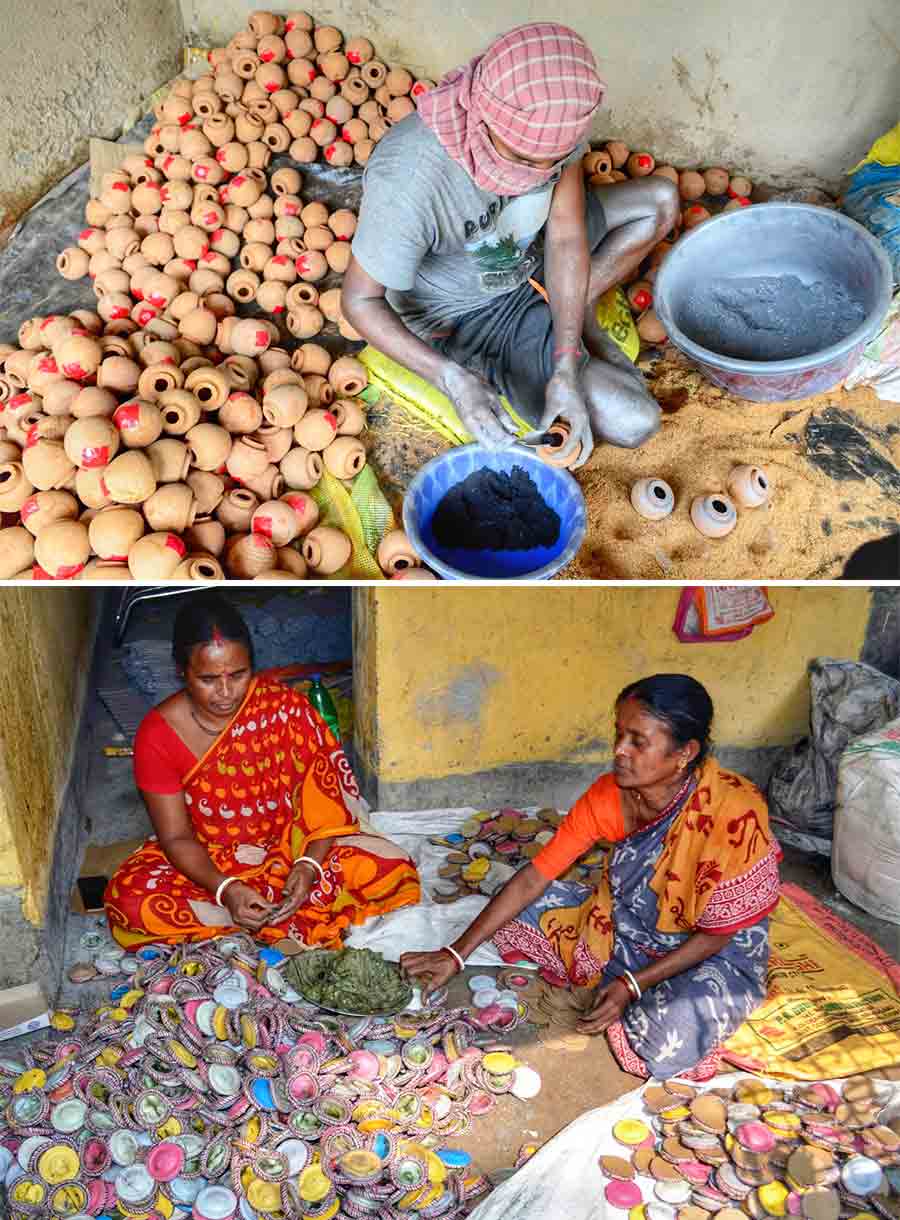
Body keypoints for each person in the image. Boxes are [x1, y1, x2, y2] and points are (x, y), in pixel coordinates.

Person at [401, 674, 780, 1080]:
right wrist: (455, 954)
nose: (619, 751)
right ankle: (628, 980)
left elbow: (717, 934)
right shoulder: (609, 796)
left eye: (638, 741)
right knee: (512, 916)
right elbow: (535, 877)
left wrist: (631, 985)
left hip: (711, 946)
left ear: (684, 751)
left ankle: (644, 988)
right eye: (619, 734)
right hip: (633, 926)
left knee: (665, 1040)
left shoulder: (733, 811)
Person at [343, 22, 679, 470]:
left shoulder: (557, 116)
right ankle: (562, 319)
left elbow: (564, 233)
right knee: (634, 419)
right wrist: (453, 380)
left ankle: (576, 307)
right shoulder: (409, 178)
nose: (537, 176)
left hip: (530, 253)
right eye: (521, 159)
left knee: (660, 201)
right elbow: (359, 300)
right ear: (482, 117)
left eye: (551, 163)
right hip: (474, 317)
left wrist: (563, 364)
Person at [104, 594, 420, 950]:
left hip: (290, 847)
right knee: (129, 899)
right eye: (208, 679)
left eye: (238, 675)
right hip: (210, 860)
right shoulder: (157, 734)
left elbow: (324, 807)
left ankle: (263, 914)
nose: (225, 693)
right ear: (182, 671)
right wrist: (226, 889)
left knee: (392, 866)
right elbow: (176, 837)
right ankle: (253, 911)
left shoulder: (284, 708)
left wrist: (307, 867)